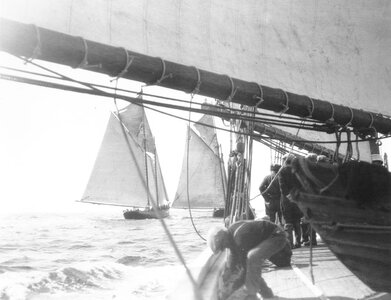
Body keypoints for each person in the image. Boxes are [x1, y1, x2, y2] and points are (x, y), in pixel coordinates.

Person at [207, 219, 292, 300]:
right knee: (251, 264)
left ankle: (252, 296)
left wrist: (233, 288)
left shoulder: (240, 237)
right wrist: (227, 277)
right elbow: (233, 263)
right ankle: (267, 295)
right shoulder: (231, 235)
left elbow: (246, 269)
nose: (224, 248)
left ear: (223, 236)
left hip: (278, 237)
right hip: (268, 238)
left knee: (252, 258)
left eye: (222, 245)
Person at [278, 154, 303, 248]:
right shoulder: (297, 171)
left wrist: (288, 196)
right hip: (296, 198)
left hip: (286, 200)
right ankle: (298, 242)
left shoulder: (282, 171)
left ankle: (290, 244)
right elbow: (300, 185)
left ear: (285, 160)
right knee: (297, 220)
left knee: (288, 221)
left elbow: (282, 186)